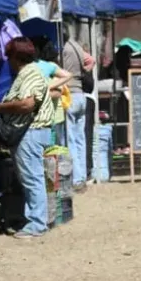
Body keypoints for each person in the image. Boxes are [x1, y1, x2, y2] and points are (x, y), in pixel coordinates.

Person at [0, 37, 56, 239]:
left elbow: (27, 104)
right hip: (35, 132)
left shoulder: (29, 74)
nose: (8, 61)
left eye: (9, 56)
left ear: (16, 57)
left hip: (31, 133)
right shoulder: (31, 72)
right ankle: (35, 220)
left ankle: (37, 224)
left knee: (32, 178)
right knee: (33, 177)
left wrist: (1, 107)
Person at [61, 32, 94, 191]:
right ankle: (82, 177)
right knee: (80, 139)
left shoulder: (64, 49)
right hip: (81, 95)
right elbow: (91, 60)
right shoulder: (77, 46)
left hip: (70, 95)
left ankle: (75, 179)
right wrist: (83, 71)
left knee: (71, 140)